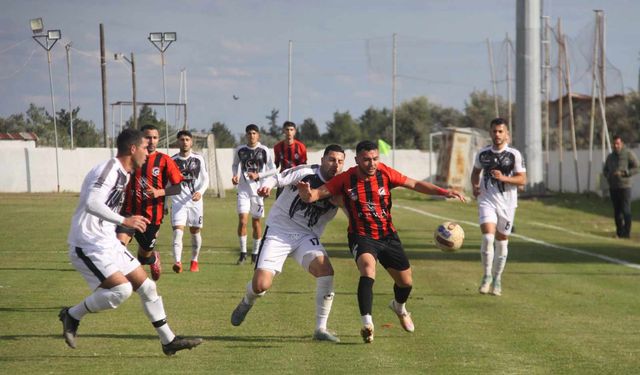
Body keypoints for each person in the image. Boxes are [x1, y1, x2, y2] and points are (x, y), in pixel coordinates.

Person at [297, 140, 465, 344]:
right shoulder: (345, 178)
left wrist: (444, 192)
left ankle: (399, 307)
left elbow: (414, 184)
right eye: (367, 160)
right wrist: (307, 194)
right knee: (368, 269)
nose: (372, 163)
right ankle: (367, 323)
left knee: (406, 283)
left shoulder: (384, 173)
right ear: (357, 159)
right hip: (361, 235)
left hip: (387, 235)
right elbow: (317, 194)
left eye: (375, 159)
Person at [59, 128, 202, 355]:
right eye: (145, 148)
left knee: (147, 287)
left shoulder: (125, 173)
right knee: (121, 290)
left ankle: (168, 341)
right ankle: (72, 314)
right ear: (133, 149)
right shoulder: (109, 169)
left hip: (108, 242)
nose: (148, 153)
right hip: (88, 243)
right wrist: (125, 220)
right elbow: (91, 203)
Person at [230, 144, 345, 342]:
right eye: (332, 159)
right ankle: (247, 300)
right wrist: (267, 186)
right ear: (323, 159)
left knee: (326, 271)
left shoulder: (340, 188)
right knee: (261, 285)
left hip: (306, 236)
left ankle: (320, 329)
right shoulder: (306, 172)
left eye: (340, 161)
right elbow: (278, 177)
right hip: (279, 232)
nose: (336, 165)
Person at [116, 124, 183, 281]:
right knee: (119, 246)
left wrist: (160, 192)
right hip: (129, 211)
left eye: (155, 137)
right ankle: (121, 278)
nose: (152, 141)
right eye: (148, 137)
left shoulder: (164, 160)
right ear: (141, 138)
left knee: (143, 257)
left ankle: (152, 258)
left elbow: (178, 187)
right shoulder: (131, 156)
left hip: (151, 217)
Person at [470, 118, 527, 297]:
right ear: (490, 133)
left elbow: (522, 180)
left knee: (501, 242)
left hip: (508, 204)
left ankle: (497, 278)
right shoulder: (483, 154)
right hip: (487, 200)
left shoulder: (514, 155)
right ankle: (486, 276)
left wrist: (504, 178)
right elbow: (475, 172)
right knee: (488, 237)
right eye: (494, 131)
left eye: (500, 131)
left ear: (507, 135)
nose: (497, 134)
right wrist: (475, 186)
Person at [231, 124, 277, 265]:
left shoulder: (264, 150)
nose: (252, 135)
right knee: (243, 221)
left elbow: (273, 169)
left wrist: (259, 175)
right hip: (243, 190)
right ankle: (243, 253)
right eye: (249, 133)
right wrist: (235, 175)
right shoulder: (240, 150)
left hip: (258, 192)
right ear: (246, 135)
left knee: (256, 222)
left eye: (254, 133)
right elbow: (235, 165)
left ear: (258, 135)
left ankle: (255, 253)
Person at [170, 130, 209, 273]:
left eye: (187, 139)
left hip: (195, 202)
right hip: (178, 202)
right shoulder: (172, 161)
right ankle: (177, 262)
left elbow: (206, 179)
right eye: (182, 139)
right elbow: (168, 184)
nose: (185, 142)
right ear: (177, 142)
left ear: (191, 142)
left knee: (195, 232)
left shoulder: (198, 159)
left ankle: (194, 260)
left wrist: (200, 192)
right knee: (177, 233)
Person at [603, 135, 639, 239]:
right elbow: (605, 170)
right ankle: (619, 232)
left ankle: (626, 233)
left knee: (626, 210)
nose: (616, 146)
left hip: (625, 186)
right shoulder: (610, 157)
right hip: (614, 187)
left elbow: (637, 167)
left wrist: (625, 173)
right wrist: (608, 175)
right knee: (617, 211)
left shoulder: (628, 154)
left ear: (622, 144)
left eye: (618, 144)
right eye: (614, 144)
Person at [273, 121, 307, 197]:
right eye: (287, 129)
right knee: (279, 202)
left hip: (296, 179)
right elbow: (276, 164)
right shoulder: (278, 147)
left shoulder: (301, 147)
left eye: (291, 130)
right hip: (283, 178)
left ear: (294, 131)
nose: (289, 132)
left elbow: (303, 166)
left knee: (296, 202)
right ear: (283, 131)